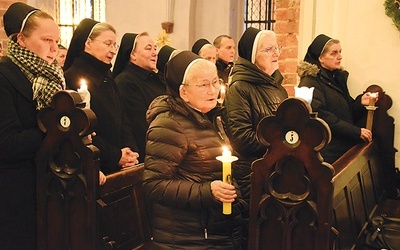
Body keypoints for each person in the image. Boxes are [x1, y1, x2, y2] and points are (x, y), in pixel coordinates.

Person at [143, 51, 247, 249]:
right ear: (183, 92)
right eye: (203, 85)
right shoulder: (168, 125)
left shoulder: (211, 117)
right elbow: (154, 185)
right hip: (186, 238)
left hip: (215, 230)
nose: (212, 90)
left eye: (215, 82)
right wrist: (207, 191)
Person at [0, 3, 65, 248]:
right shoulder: (4, 76)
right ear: (22, 40)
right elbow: (6, 143)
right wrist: (54, 130)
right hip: (15, 194)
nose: (53, 48)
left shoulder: (52, 77)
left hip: (49, 189)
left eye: (57, 41)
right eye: (46, 39)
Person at [64, 19, 139, 174]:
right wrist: (116, 155)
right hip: (96, 165)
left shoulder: (107, 75)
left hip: (121, 161)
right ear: (88, 43)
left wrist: (129, 151)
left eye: (114, 45)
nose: (112, 50)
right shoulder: (72, 77)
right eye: (108, 43)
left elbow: (123, 117)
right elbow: (81, 128)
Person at [298, 34, 376, 163]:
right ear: (321, 57)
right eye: (334, 53)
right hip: (327, 153)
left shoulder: (335, 78)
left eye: (340, 52)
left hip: (341, 148)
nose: (339, 57)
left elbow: (345, 112)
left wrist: (361, 103)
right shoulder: (309, 82)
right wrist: (355, 132)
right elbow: (322, 116)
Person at [114, 32, 166, 163]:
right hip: (151, 154)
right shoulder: (126, 82)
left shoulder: (157, 78)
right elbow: (138, 125)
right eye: (148, 49)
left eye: (155, 48)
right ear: (132, 54)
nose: (155, 53)